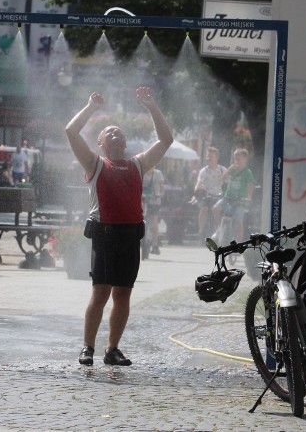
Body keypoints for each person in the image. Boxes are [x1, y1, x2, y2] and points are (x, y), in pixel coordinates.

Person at [66, 87, 173, 366]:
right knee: (100, 292)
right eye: (109, 132)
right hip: (104, 233)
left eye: (119, 133)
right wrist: (91, 107)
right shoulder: (94, 163)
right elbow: (70, 132)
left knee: (123, 294)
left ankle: (112, 349)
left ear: (125, 143)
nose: (116, 134)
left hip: (130, 234)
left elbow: (166, 139)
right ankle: (87, 347)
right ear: (100, 143)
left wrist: (151, 106)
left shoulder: (138, 164)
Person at [212, 148, 254, 242]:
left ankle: (238, 244)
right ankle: (221, 228)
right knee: (216, 209)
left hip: (240, 199)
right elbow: (223, 178)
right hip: (228, 197)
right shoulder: (232, 169)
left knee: (239, 221)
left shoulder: (247, 172)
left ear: (245, 160)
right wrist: (229, 169)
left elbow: (250, 186)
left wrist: (249, 197)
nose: (236, 161)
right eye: (235, 159)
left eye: (239, 159)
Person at [191, 146, 227, 239]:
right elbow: (198, 183)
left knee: (219, 210)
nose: (208, 158)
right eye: (207, 156)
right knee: (204, 209)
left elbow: (228, 184)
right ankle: (201, 232)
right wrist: (195, 192)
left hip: (219, 196)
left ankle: (221, 229)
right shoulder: (204, 171)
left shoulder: (223, 170)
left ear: (216, 158)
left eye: (211, 156)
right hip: (206, 195)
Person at [142, 167, 165, 255]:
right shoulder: (142, 172)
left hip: (155, 201)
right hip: (143, 200)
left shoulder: (158, 173)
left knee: (154, 223)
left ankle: (155, 245)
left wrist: (160, 194)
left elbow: (162, 187)